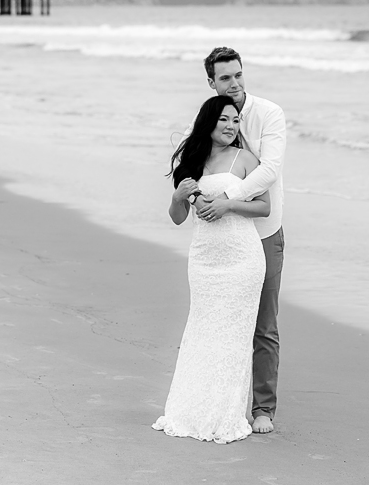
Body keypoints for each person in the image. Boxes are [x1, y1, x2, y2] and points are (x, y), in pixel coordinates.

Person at [152, 95, 270, 444]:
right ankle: (192, 409)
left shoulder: (246, 159)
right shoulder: (192, 161)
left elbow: (263, 207)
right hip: (204, 258)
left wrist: (227, 205)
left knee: (233, 335)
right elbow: (178, 217)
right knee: (202, 329)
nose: (231, 126)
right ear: (208, 121)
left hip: (242, 257)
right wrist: (178, 197)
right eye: (224, 119)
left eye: (235, 120)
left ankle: (225, 413)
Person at [191, 46, 286, 434]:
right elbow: (194, 162)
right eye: (225, 78)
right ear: (211, 82)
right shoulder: (211, 116)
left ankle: (263, 409)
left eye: (238, 75)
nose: (234, 84)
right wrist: (195, 198)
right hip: (222, 241)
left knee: (263, 325)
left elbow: (270, 169)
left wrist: (228, 199)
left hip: (263, 233)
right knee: (219, 323)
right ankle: (215, 401)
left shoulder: (269, 114)